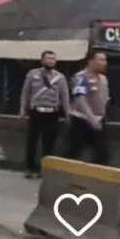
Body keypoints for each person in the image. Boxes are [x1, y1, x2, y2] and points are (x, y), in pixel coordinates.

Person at [19, 50, 71, 179]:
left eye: (53, 59)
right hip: (36, 112)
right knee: (32, 141)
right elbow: (26, 92)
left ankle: (44, 169)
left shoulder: (60, 77)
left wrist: (68, 113)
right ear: (42, 60)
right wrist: (22, 109)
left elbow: (64, 96)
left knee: (49, 144)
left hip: (52, 113)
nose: (51, 61)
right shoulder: (33, 74)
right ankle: (29, 167)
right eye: (48, 58)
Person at [65, 50, 110, 165]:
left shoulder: (103, 79)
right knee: (72, 153)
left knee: (103, 155)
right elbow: (80, 99)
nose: (104, 63)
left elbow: (105, 99)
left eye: (105, 60)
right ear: (90, 61)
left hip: (99, 120)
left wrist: (103, 116)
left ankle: (92, 178)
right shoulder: (81, 77)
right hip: (81, 121)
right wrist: (92, 119)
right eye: (101, 60)